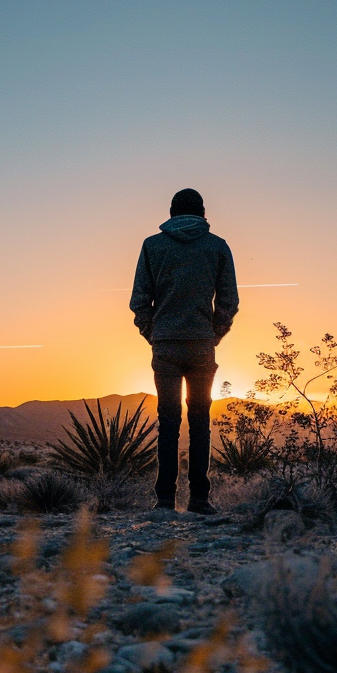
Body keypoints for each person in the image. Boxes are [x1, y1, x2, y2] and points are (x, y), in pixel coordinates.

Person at [130, 188, 239, 513]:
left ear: (172, 213)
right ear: (202, 213)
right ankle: (199, 500)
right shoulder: (217, 247)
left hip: (165, 344)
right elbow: (229, 300)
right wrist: (213, 333)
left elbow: (139, 300)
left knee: (167, 420)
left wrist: (154, 332)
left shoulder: (153, 246)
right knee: (200, 419)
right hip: (201, 345)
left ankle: (164, 499)